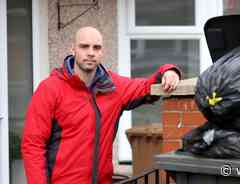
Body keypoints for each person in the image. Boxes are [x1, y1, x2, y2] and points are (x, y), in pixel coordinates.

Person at [21, 26, 181, 184]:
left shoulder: (113, 86)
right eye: (84, 46)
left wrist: (168, 71)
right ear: (73, 49)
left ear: (102, 52)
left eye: (96, 47)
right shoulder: (50, 89)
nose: (91, 52)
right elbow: (33, 146)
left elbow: (147, 86)